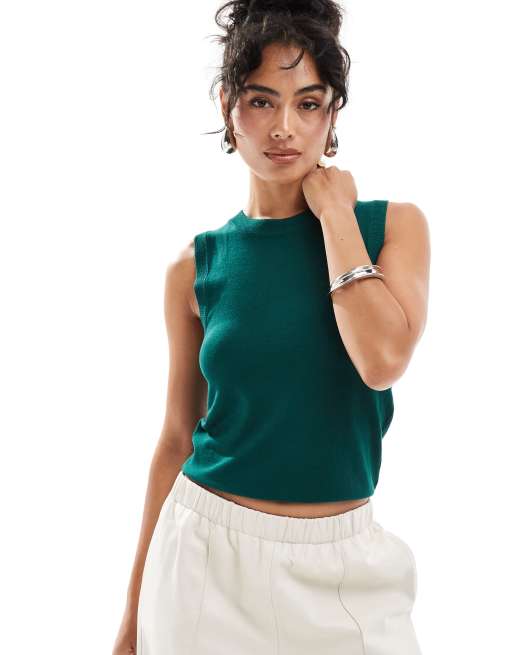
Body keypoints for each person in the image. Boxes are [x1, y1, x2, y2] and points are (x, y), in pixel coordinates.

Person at [112, 1, 430, 653]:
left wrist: (335, 216)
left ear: (331, 115)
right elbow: (175, 438)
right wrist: (130, 622)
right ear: (227, 106)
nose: (284, 127)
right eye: (261, 101)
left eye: (308, 104)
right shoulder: (195, 267)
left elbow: (380, 360)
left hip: (347, 568)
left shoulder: (390, 227)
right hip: (206, 557)